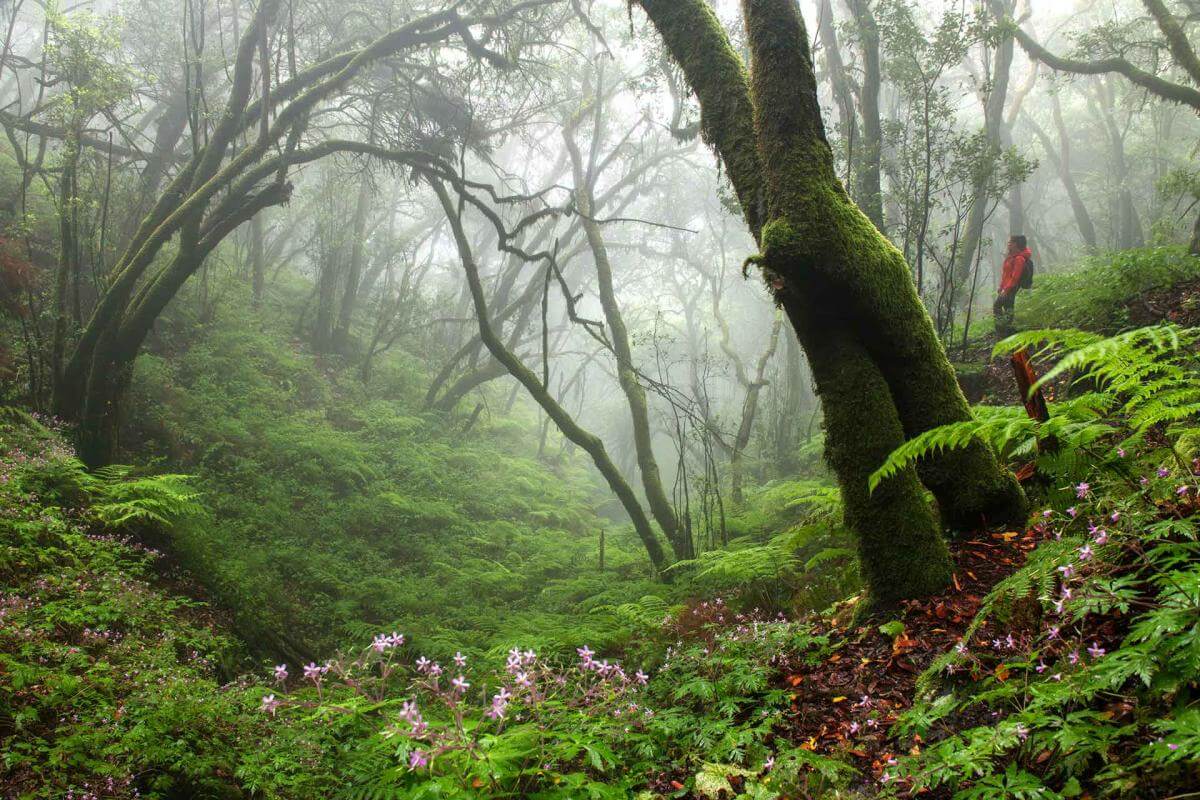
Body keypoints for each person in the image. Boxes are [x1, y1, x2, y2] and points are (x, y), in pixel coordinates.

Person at [994, 234, 1032, 337]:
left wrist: (1006, 289)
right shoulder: (1011, 257)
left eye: (1010, 242)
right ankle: (1007, 330)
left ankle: (1002, 330)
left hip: (1012, 287)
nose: (1008, 244)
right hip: (1006, 287)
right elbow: (1005, 274)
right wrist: (1001, 286)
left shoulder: (1019, 259)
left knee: (998, 306)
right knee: (1007, 307)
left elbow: (1015, 277)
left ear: (1016, 244)